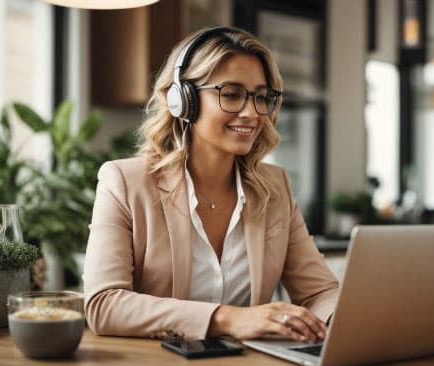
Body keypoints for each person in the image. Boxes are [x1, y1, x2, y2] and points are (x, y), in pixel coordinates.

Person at [83, 26, 338, 344]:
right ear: (183, 100)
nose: (251, 113)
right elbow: (103, 304)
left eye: (261, 97)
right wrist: (228, 318)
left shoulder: (276, 189)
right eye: (231, 94)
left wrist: (342, 318)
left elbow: (319, 291)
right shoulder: (124, 182)